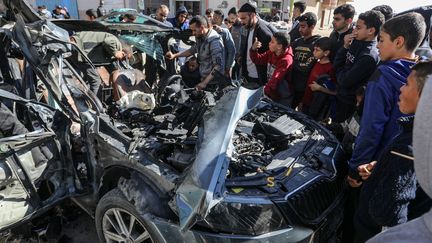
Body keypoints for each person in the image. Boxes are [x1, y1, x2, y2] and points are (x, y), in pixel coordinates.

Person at [354, 60, 432, 243]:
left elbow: (388, 214)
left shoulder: (407, 147)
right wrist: (382, 167)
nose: (401, 89)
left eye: (407, 84)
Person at [346, 12, 426, 188]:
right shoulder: (423, 72)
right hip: (406, 162)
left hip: (372, 166)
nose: (377, 45)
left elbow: (371, 128)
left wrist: (355, 167)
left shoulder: (383, 75)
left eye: (381, 40)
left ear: (398, 42)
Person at [332, 10, 384, 123]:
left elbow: (344, 80)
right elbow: (336, 64)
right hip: (339, 96)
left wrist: (339, 71)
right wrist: (345, 46)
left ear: (371, 30)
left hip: (349, 103)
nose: (354, 30)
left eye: (358, 28)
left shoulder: (369, 56)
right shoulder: (354, 41)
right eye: (355, 26)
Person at [165, 16, 225, 91]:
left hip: (214, 84)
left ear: (202, 28)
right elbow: (191, 51)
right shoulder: (200, 37)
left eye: (194, 30)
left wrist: (204, 83)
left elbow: (218, 66)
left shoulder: (214, 42)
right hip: (204, 79)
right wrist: (174, 55)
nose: (193, 33)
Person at [249, 31, 293, 104]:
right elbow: (258, 60)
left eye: (272, 42)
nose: (269, 43)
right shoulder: (271, 52)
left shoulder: (286, 60)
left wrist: (262, 91)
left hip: (283, 96)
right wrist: (253, 49)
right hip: (272, 93)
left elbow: (276, 78)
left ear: (279, 46)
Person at [238, 2, 275, 87]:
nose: (242, 22)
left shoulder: (263, 32)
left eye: (244, 18)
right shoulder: (250, 27)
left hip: (258, 78)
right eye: (240, 19)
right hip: (249, 75)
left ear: (252, 15)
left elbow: (268, 58)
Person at [290, 12, 321, 109]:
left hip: (304, 89)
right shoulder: (297, 42)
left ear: (312, 27)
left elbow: (306, 67)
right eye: (299, 26)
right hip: (291, 85)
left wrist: (292, 64)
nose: (300, 29)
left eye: (303, 27)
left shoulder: (317, 44)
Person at [300, 37, 336, 119]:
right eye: (314, 49)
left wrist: (320, 88)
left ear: (326, 52)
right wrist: (302, 101)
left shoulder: (330, 69)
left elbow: (335, 92)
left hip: (317, 108)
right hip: (306, 103)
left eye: (317, 50)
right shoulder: (316, 63)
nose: (314, 52)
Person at [228, 7, 243, 80]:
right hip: (233, 56)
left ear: (238, 16)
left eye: (232, 18)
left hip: (240, 57)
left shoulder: (243, 27)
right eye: (230, 18)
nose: (231, 20)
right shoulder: (232, 27)